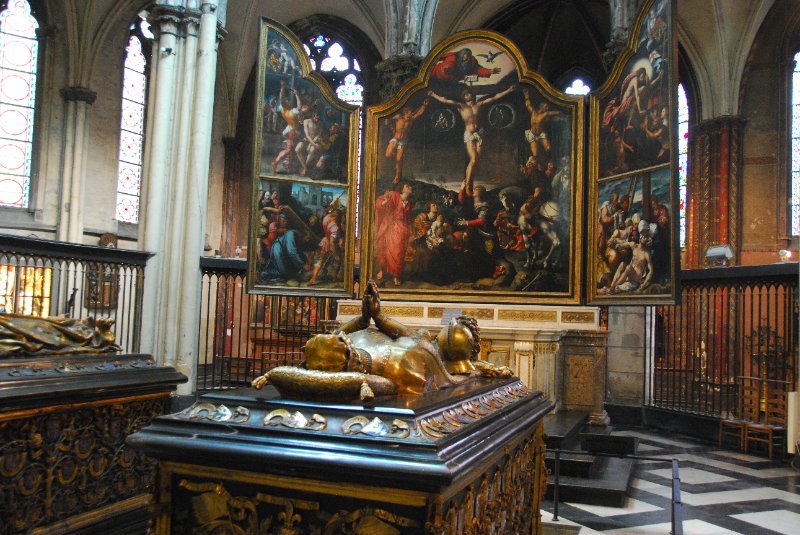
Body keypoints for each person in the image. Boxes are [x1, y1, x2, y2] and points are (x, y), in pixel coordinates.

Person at [250, 280, 512, 400]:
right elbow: (395, 333)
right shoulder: (419, 349)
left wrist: (370, 317)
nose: (339, 337)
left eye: (451, 331)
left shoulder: (420, 356)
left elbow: (396, 339)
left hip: (377, 364)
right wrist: (371, 315)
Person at [427, 84, 516, 195]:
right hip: (469, 134)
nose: (468, 95)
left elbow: (494, 98)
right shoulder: (461, 106)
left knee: (476, 161)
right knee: (473, 160)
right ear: (464, 97)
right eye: (466, 94)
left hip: (480, 134)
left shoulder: (479, 104)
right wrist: (434, 95)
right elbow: (445, 100)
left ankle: (470, 182)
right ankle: (468, 185)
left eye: (469, 93)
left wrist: (508, 90)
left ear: (472, 95)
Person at [375, 184, 414, 286]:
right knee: (384, 249)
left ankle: (395, 275)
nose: (410, 187)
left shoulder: (409, 203)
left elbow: (407, 218)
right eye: (407, 186)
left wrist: (410, 229)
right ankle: (383, 270)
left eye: (410, 186)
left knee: (398, 252)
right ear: (401, 188)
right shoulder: (394, 195)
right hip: (389, 226)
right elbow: (379, 202)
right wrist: (385, 202)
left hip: (401, 229)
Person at [385, 98, 430, 184]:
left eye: (411, 112)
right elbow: (389, 118)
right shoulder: (399, 117)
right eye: (410, 112)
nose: (411, 114)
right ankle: (394, 153)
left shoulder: (411, 119)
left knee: (399, 160)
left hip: (403, 141)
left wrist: (424, 105)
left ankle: (397, 177)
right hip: (395, 139)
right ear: (406, 112)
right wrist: (390, 126)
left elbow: (419, 113)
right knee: (388, 154)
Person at [523, 89, 563, 167]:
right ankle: (533, 166)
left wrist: (561, 113)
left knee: (548, 148)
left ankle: (549, 164)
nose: (547, 108)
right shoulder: (534, 112)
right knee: (535, 154)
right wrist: (526, 95)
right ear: (541, 106)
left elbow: (553, 112)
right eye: (546, 106)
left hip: (540, 134)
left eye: (547, 106)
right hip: (532, 134)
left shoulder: (545, 114)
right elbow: (528, 105)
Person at [272, 81, 303, 174]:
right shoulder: (292, 112)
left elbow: (281, 99)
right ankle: (276, 162)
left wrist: (282, 87)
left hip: (289, 129)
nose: (289, 101)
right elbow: (300, 107)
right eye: (287, 101)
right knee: (288, 149)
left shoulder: (282, 109)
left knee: (290, 150)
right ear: (287, 104)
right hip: (292, 131)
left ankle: (289, 167)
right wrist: (297, 95)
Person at [309, 206, 343, 285]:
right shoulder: (335, 227)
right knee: (337, 259)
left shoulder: (326, 217)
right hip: (331, 243)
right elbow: (332, 243)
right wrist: (335, 255)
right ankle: (334, 278)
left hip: (325, 240)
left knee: (320, 260)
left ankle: (313, 278)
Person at [431, 48, 501, 83]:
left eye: (469, 56)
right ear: (461, 55)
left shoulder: (472, 62)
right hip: (436, 74)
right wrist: (448, 68)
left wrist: (489, 71)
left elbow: (478, 70)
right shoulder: (453, 57)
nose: (467, 58)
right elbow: (449, 63)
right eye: (465, 56)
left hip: (450, 81)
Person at [295, 110, 326, 176]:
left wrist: (312, 144)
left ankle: (304, 168)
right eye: (315, 118)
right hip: (306, 139)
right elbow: (307, 135)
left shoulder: (320, 123)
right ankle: (305, 168)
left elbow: (318, 135)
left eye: (318, 118)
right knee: (297, 149)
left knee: (312, 150)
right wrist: (312, 144)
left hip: (315, 140)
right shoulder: (306, 121)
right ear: (312, 116)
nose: (316, 119)